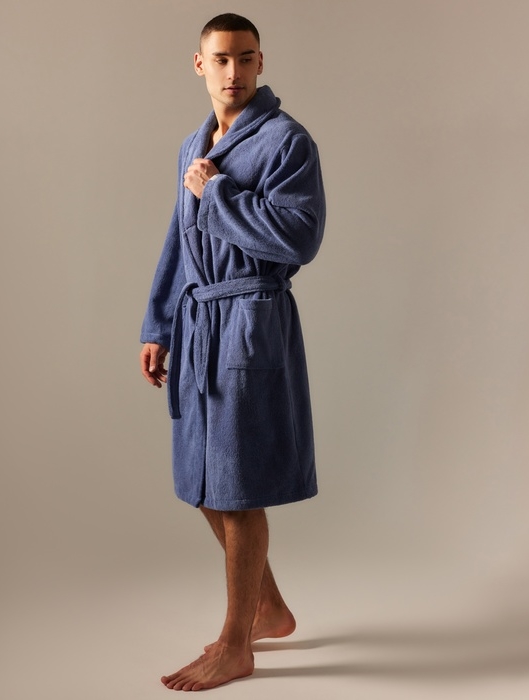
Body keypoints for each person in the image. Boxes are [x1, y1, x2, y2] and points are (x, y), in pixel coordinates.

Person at [139, 13, 325, 691]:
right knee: (203, 478)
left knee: (238, 484)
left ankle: (235, 641)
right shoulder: (193, 144)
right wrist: (159, 323)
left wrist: (216, 192)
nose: (233, 72)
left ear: (260, 62)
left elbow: (300, 236)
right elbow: (178, 240)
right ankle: (269, 609)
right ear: (200, 64)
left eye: (245, 58)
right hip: (198, 321)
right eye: (220, 59)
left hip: (249, 320)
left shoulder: (286, 141)